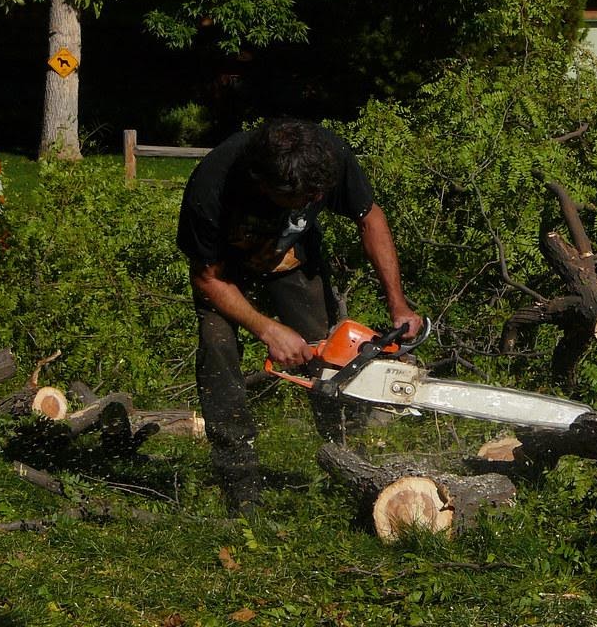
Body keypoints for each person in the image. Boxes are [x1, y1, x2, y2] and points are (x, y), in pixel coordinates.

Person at [176, 118, 423, 517]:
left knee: (330, 355)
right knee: (218, 351)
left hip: (289, 260)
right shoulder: (213, 185)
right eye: (305, 196)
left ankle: (350, 464)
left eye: (318, 193)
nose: (316, 199)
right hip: (223, 276)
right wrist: (268, 329)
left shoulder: (327, 154)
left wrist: (398, 303)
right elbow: (207, 278)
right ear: (265, 185)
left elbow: (370, 218)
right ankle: (240, 486)